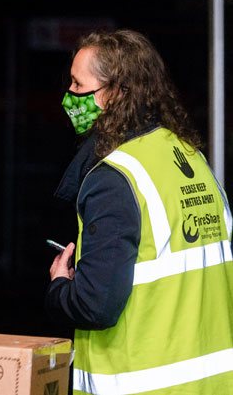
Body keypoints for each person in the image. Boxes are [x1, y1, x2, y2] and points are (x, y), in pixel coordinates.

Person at [46, 29, 233, 394]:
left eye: (77, 84)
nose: (70, 96)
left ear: (115, 93)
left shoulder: (115, 177)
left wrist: (59, 287)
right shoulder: (190, 158)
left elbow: (95, 305)